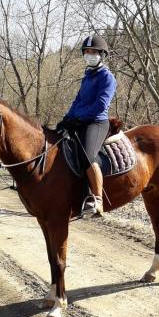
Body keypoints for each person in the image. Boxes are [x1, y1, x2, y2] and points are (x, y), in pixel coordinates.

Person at [57, 34, 117, 217]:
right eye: (87, 52)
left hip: (97, 122)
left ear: (102, 54)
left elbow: (100, 105)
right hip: (80, 120)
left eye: (94, 52)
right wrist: (67, 118)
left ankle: (97, 200)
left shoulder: (108, 78)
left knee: (87, 154)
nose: (90, 54)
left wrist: (79, 117)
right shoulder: (87, 77)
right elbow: (78, 101)